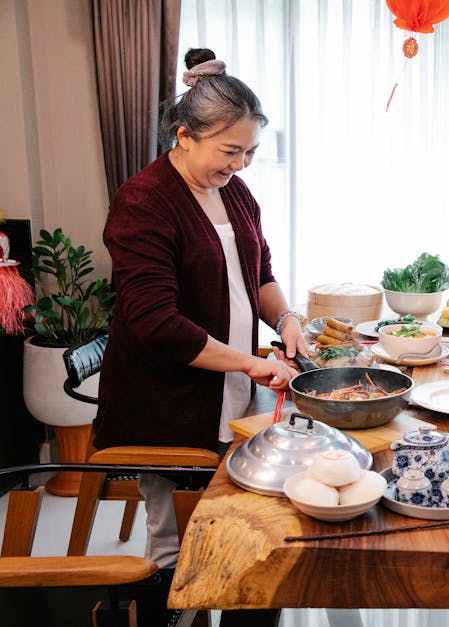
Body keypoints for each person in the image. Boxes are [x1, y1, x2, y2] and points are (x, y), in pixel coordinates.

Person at [93, 48, 305, 569]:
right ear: (184, 136)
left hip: (229, 383)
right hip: (169, 402)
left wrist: (287, 320)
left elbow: (259, 274)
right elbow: (155, 324)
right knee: (175, 536)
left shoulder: (234, 192)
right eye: (230, 151)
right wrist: (251, 363)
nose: (240, 165)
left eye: (250, 152)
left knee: (233, 527)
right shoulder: (144, 201)